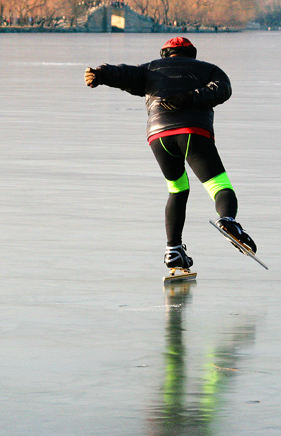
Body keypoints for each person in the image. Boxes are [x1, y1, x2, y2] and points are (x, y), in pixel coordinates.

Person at [84, 37, 256, 270]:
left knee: (177, 189)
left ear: (164, 54)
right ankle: (228, 221)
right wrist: (190, 98)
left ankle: (173, 250)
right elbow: (222, 89)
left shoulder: (151, 69)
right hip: (193, 133)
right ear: (192, 54)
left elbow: (125, 74)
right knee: (219, 186)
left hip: (158, 137)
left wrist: (100, 73)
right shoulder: (209, 69)